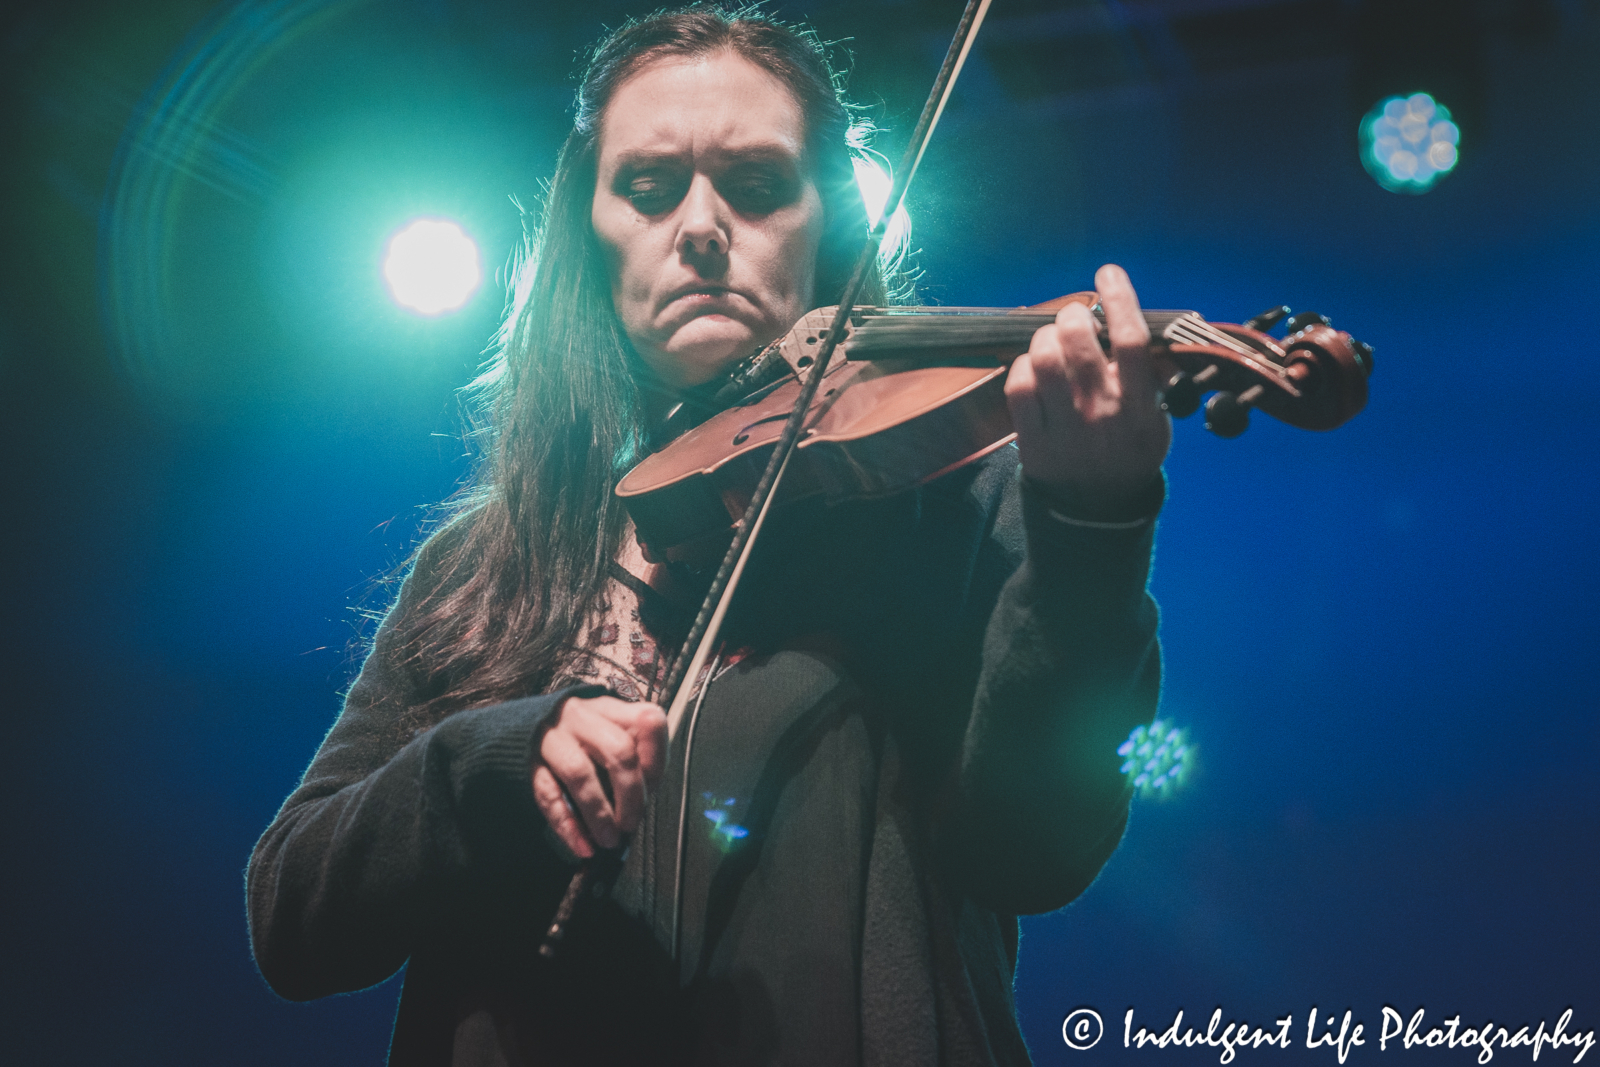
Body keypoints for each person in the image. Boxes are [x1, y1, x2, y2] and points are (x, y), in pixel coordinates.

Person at [247, 6, 1169, 1065]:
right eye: (647, 187)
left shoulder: (958, 506)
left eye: (757, 184)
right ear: (586, 233)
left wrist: (1090, 523)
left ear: (830, 225)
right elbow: (291, 917)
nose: (698, 226)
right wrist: (491, 761)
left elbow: (1033, 852)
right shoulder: (480, 568)